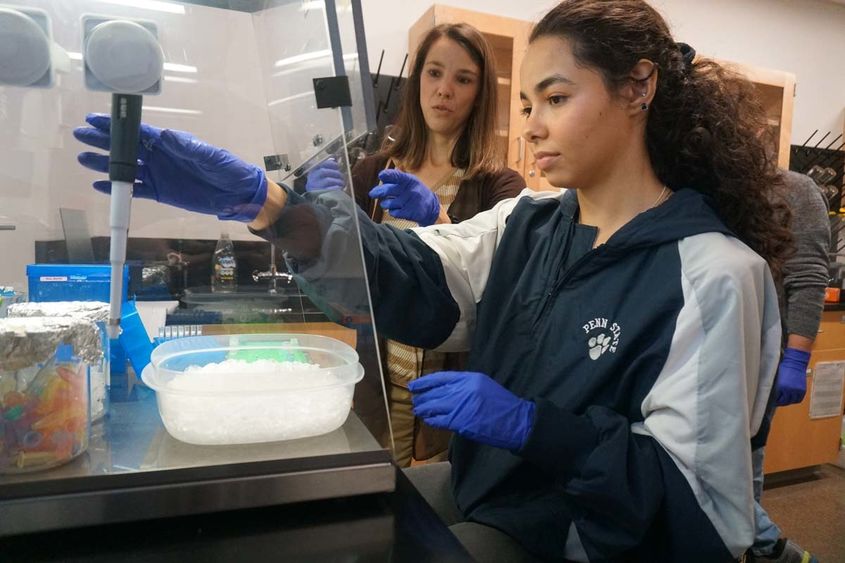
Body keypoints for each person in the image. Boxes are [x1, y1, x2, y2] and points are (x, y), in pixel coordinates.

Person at [74, 1, 793, 560]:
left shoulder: (711, 273)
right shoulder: (528, 222)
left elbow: (697, 510)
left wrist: (538, 428)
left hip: (581, 537)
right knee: (329, 520)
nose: (535, 125)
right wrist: (273, 207)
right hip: (489, 483)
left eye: (554, 98)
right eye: (526, 106)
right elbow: (416, 275)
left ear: (637, 87)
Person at [309, 23, 524, 467]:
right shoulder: (371, 172)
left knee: (431, 505)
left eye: (462, 79)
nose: (444, 90)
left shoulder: (498, 185)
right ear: (418, 81)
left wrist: (440, 220)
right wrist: (314, 210)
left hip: (452, 386)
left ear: (479, 94)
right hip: (377, 382)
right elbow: (343, 276)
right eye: (434, 73)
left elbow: (501, 293)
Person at [747, 169, 828, 563]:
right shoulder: (689, 186)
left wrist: (796, 359)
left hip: (758, 359)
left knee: (746, 466)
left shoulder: (795, 190)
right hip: (699, 351)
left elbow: (809, 277)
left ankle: (769, 551)